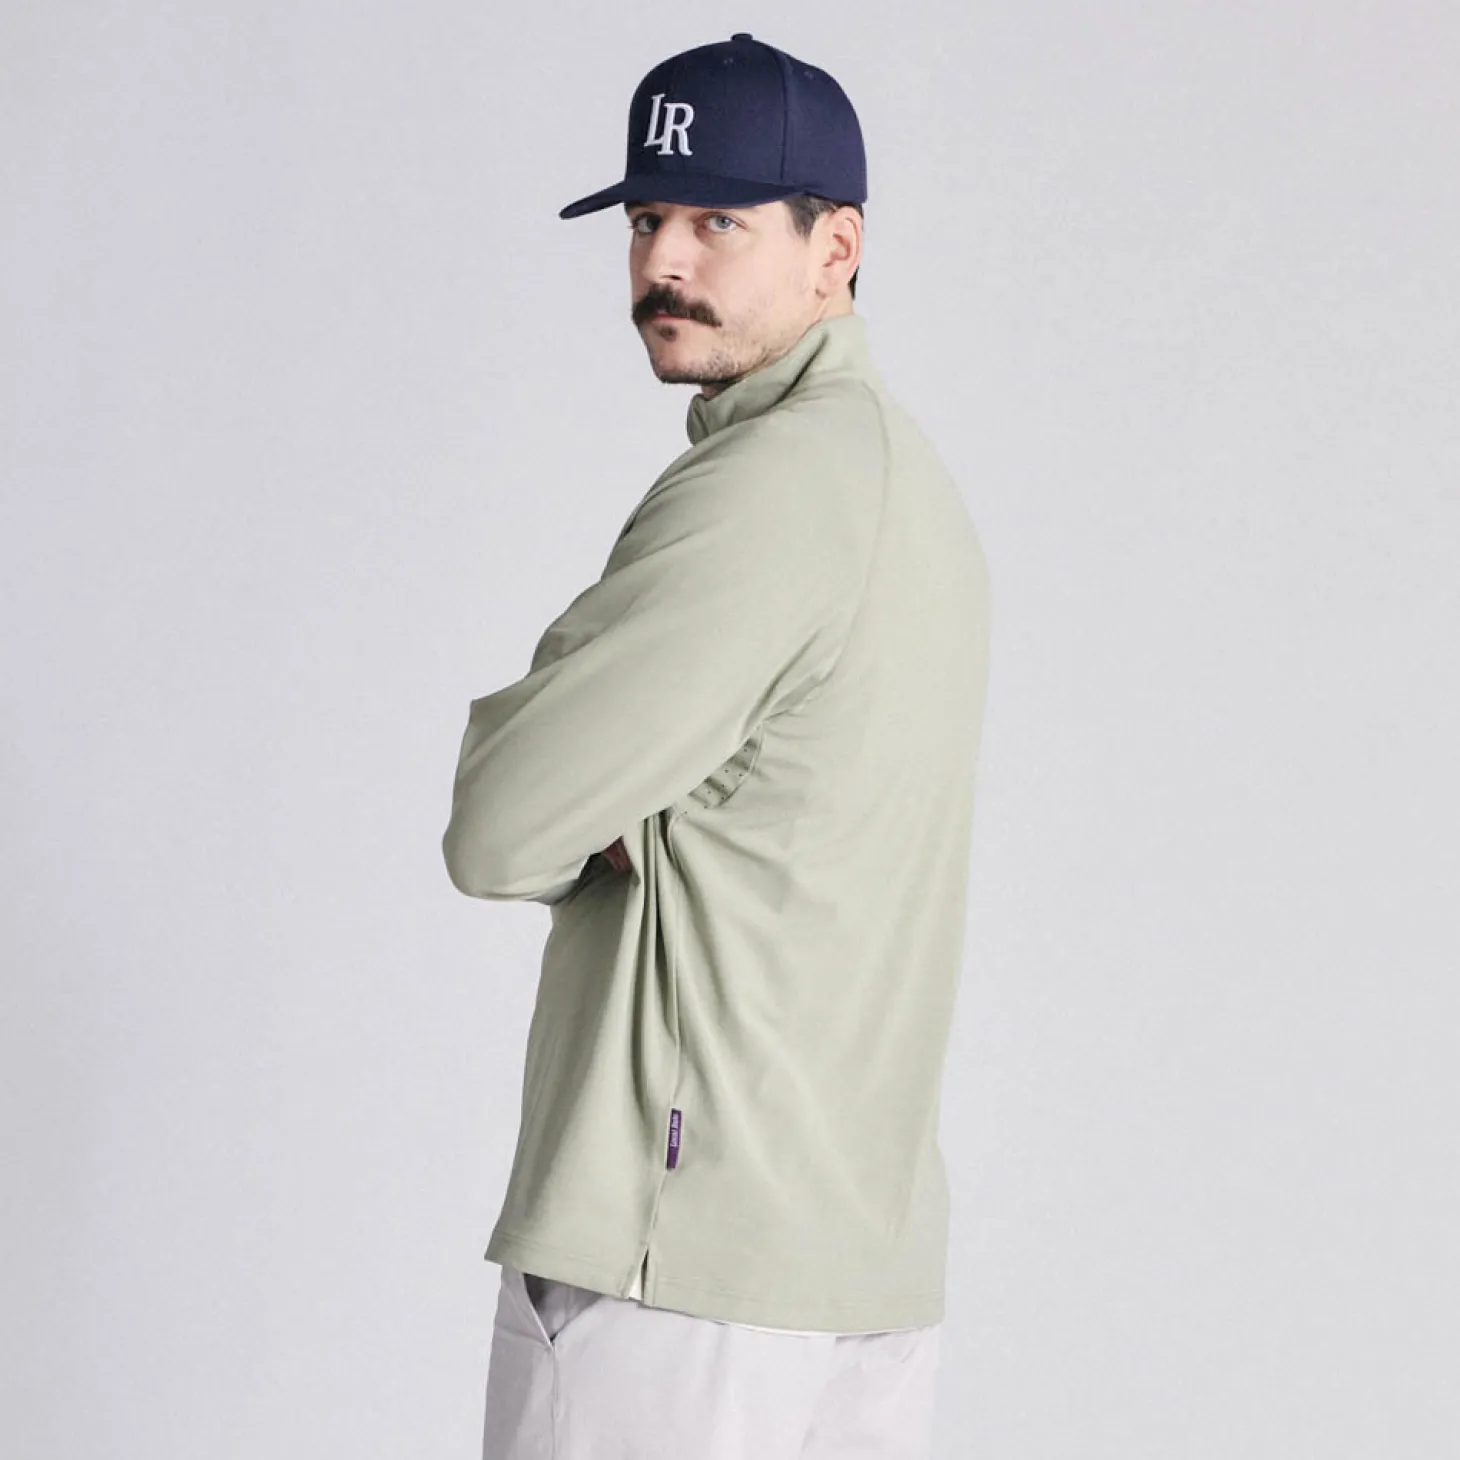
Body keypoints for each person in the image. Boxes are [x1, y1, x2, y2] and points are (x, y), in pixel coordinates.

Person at [442, 31, 992, 1460]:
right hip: (850, 1266)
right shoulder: (900, 479)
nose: (663, 261)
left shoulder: (769, 488)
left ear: (836, 248)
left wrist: (584, 768)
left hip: (678, 1272)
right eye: (644, 219)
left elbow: (497, 822)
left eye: (718, 222)